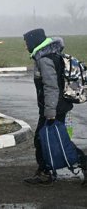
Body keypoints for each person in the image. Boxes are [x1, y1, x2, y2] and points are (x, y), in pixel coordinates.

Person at [23, 28, 87, 185]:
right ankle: (45, 171)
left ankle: (46, 172)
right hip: (55, 107)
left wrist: (49, 112)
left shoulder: (44, 59)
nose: (25, 46)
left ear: (34, 42)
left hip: (53, 108)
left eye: (26, 43)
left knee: (51, 140)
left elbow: (51, 87)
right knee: (48, 139)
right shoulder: (49, 55)